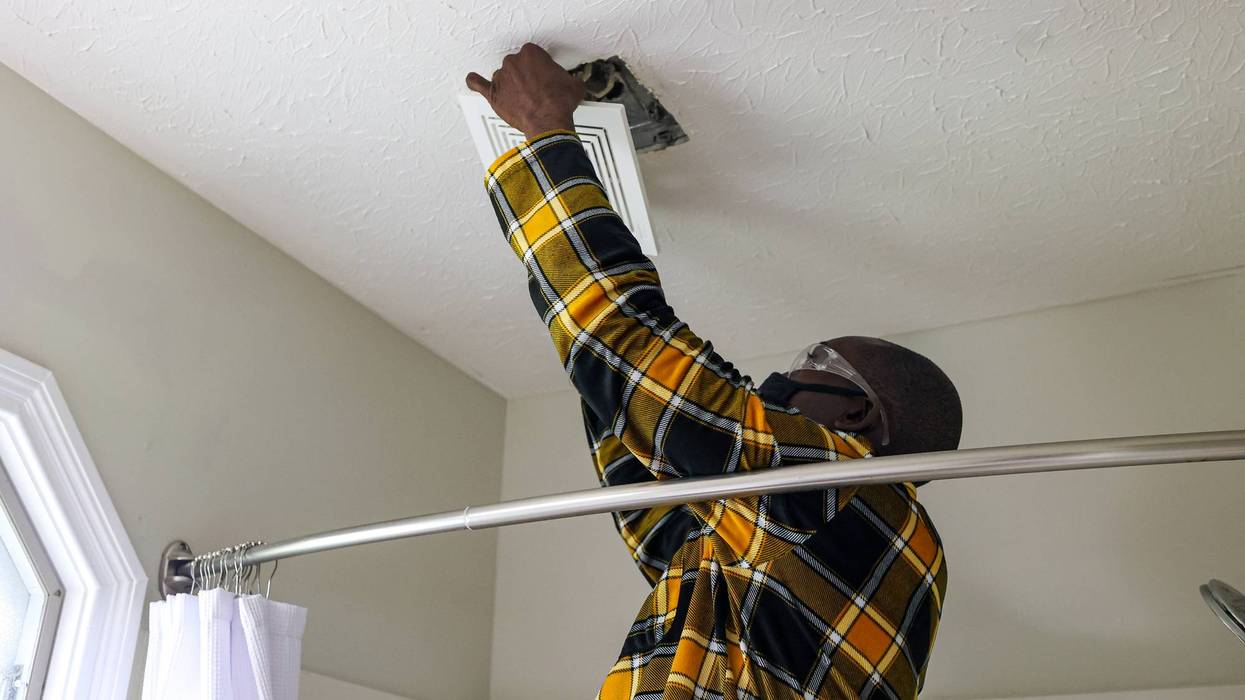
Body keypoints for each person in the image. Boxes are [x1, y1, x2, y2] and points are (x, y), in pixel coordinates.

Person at [467, 43, 963, 700]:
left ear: (855, 415)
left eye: (808, 365)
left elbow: (628, 357)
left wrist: (548, 136)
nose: (778, 383)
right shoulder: (784, 546)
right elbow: (635, 426)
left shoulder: (846, 494)